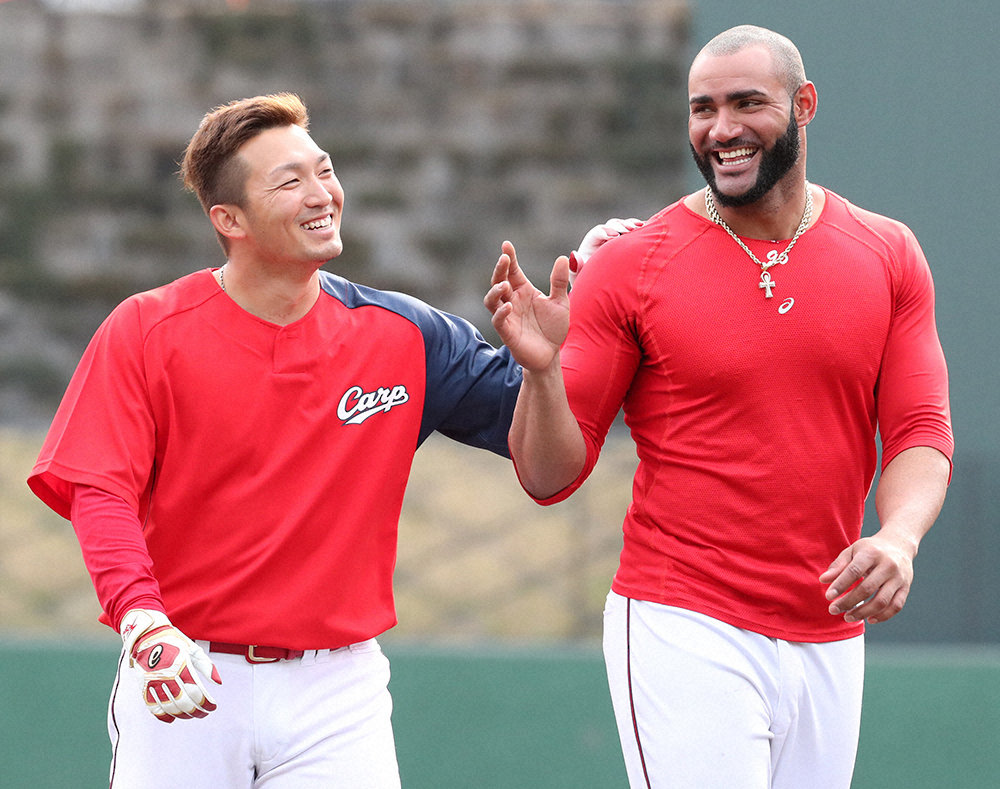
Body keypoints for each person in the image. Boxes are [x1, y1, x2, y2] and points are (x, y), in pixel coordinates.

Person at [27, 92, 615, 788]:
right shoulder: (146, 330)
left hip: (338, 694)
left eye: (325, 170)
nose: (322, 194)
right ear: (228, 219)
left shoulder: (407, 334)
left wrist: (546, 368)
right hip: (182, 675)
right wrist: (144, 625)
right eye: (290, 180)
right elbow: (99, 492)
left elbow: (548, 471)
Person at [486, 25, 953, 789]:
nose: (722, 129)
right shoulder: (629, 264)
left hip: (832, 628)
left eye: (748, 103)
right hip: (683, 620)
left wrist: (898, 538)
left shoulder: (888, 251)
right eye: (703, 108)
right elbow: (547, 477)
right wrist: (540, 374)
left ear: (803, 105)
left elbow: (921, 430)